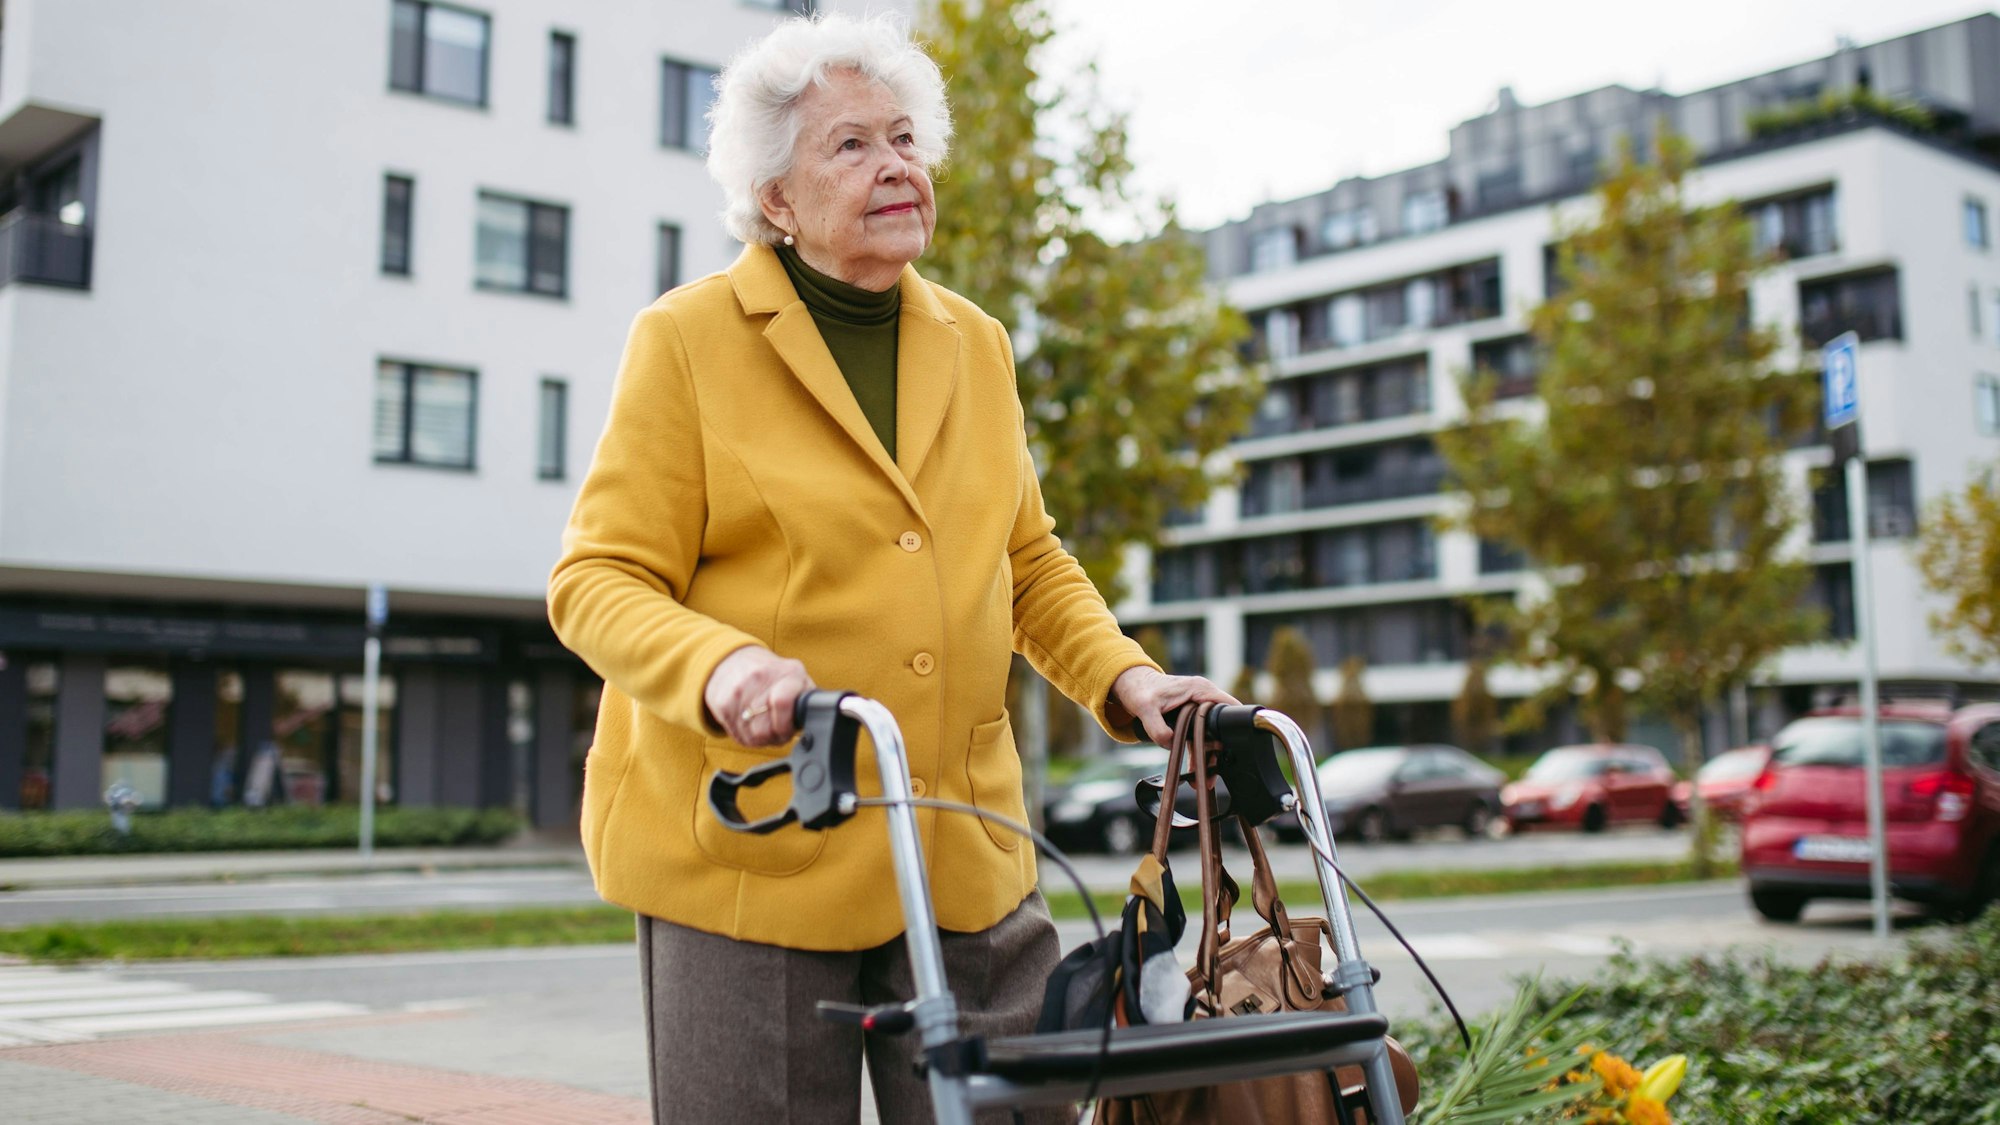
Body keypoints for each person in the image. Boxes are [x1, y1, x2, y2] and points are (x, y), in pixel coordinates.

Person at [547, 14, 1233, 1124]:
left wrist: (1127, 682)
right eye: (851, 146)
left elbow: (1025, 560)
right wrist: (720, 667)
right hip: (756, 839)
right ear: (775, 198)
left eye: (906, 139)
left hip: (961, 842)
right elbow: (597, 579)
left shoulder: (976, 342)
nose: (897, 166)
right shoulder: (687, 340)